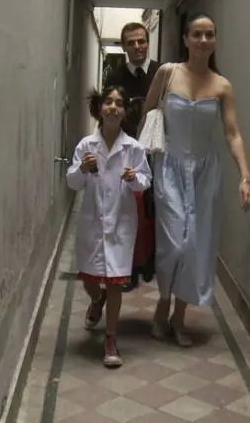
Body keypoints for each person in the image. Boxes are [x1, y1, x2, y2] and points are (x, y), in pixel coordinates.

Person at [139, 12, 250, 347]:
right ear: (186, 39)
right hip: (169, 168)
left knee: (196, 245)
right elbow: (147, 114)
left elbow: (232, 133)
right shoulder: (168, 73)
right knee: (174, 241)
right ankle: (163, 302)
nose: (204, 40)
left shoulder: (222, 86)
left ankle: (179, 316)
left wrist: (245, 176)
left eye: (210, 34)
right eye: (197, 34)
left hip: (206, 174)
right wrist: (134, 164)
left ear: (215, 40)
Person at [66, 85, 152, 368]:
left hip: (120, 223)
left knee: (116, 282)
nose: (113, 107)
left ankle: (111, 338)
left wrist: (133, 178)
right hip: (92, 222)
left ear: (124, 112)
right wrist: (81, 169)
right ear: (100, 108)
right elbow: (73, 182)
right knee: (90, 280)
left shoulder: (133, 148)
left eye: (119, 103)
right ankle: (96, 299)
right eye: (108, 102)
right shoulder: (86, 146)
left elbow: (145, 181)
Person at [104, 22, 161, 292]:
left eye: (141, 41)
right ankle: (129, 267)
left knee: (154, 206)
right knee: (127, 209)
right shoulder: (115, 77)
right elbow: (108, 113)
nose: (137, 46)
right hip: (125, 151)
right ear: (124, 46)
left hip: (156, 151)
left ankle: (149, 261)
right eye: (131, 42)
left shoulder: (161, 72)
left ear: (148, 42)